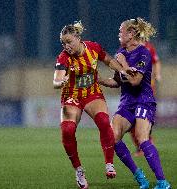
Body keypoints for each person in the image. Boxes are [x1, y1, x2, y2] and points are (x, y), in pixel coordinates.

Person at [53, 20, 134, 189]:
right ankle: (79, 170)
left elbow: (109, 60)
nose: (66, 46)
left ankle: (109, 164)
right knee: (67, 131)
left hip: (92, 93)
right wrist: (62, 81)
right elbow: (56, 80)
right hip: (72, 97)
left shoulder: (93, 48)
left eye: (69, 42)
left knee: (104, 122)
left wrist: (121, 70)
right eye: (63, 43)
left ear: (77, 38)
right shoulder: (63, 57)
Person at [99, 17, 171, 189]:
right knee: (113, 137)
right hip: (127, 103)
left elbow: (135, 81)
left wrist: (122, 64)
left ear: (130, 34)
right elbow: (117, 82)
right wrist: (98, 79)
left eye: (120, 32)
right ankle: (140, 176)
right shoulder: (120, 51)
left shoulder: (143, 52)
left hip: (144, 100)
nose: (118, 35)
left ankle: (163, 182)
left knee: (142, 138)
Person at [130, 41, 162, 157]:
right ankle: (142, 146)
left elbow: (156, 61)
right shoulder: (126, 46)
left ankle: (146, 144)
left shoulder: (148, 46)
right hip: (131, 89)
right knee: (131, 121)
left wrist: (157, 75)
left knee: (142, 117)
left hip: (146, 89)